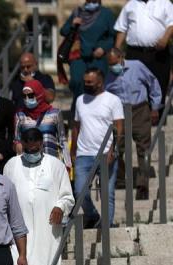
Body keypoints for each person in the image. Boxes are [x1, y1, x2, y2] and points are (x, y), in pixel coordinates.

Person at [3, 128, 74, 265]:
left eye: (35, 148)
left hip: (47, 231)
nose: (31, 152)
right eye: (27, 148)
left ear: (42, 146)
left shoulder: (55, 165)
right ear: (21, 145)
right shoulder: (11, 166)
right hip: (19, 231)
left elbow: (67, 197)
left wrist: (60, 207)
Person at [105, 47, 162, 199]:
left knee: (144, 147)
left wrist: (155, 106)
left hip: (139, 109)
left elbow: (153, 82)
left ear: (121, 57)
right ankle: (120, 178)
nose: (113, 67)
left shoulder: (137, 66)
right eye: (110, 64)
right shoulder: (108, 75)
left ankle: (143, 184)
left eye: (115, 63)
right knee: (118, 146)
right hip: (119, 113)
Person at [72, 68, 124, 228]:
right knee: (79, 191)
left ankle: (106, 227)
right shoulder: (80, 100)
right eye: (85, 81)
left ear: (100, 82)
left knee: (107, 193)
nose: (86, 84)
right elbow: (76, 126)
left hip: (106, 153)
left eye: (90, 82)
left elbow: (119, 127)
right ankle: (92, 215)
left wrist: (113, 150)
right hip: (83, 153)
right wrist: (72, 150)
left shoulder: (113, 100)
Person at [114, 0, 173, 114]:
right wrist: (117, 49)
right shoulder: (130, 4)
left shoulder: (165, 3)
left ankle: (157, 117)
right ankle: (137, 117)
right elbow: (121, 28)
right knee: (133, 85)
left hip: (158, 52)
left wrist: (165, 38)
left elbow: (172, 24)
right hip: (135, 52)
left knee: (159, 84)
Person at [59, 0, 116, 99]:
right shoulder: (78, 12)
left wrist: (103, 48)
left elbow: (112, 36)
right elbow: (63, 31)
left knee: (97, 85)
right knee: (76, 82)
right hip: (78, 56)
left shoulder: (106, 14)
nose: (91, 1)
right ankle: (79, 108)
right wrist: (72, 24)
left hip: (98, 58)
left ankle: (98, 111)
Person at [14, 80, 70, 168]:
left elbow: (62, 140)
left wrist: (67, 164)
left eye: (31, 95)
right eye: (24, 96)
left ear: (39, 93)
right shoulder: (20, 115)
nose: (27, 99)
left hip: (51, 164)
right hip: (28, 166)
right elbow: (17, 140)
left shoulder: (55, 113)